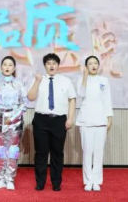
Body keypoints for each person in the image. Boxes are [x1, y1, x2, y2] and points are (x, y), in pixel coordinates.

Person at [27, 53, 76, 192]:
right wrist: (37, 81)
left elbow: (72, 99)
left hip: (59, 120)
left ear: (58, 65)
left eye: (54, 63)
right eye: (48, 63)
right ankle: (40, 183)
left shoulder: (66, 81)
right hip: (41, 120)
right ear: (45, 66)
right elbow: (30, 97)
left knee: (57, 153)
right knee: (41, 153)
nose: (51, 66)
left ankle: (56, 183)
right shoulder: (39, 79)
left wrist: (70, 118)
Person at [0, 55, 28, 190]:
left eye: (10, 65)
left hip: (15, 120)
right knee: (0, 150)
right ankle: (0, 178)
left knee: (12, 150)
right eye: (4, 64)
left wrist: (13, 118)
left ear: (14, 68)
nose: (7, 67)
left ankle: (10, 179)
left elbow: (24, 104)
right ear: (1, 67)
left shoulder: (19, 83)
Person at [77, 56, 113, 192]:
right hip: (86, 120)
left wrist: (109, 117)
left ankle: (96, 181)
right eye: (90, 63)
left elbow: (107, 99)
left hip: (101, 120)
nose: (93, 65)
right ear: (86, 66)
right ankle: (88, 180)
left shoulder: (104, 80)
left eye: (95, 63)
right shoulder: (81, 79)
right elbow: (81, 93)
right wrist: (84, 77)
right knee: (87, 152)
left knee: (98, 152)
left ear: (98, 65)